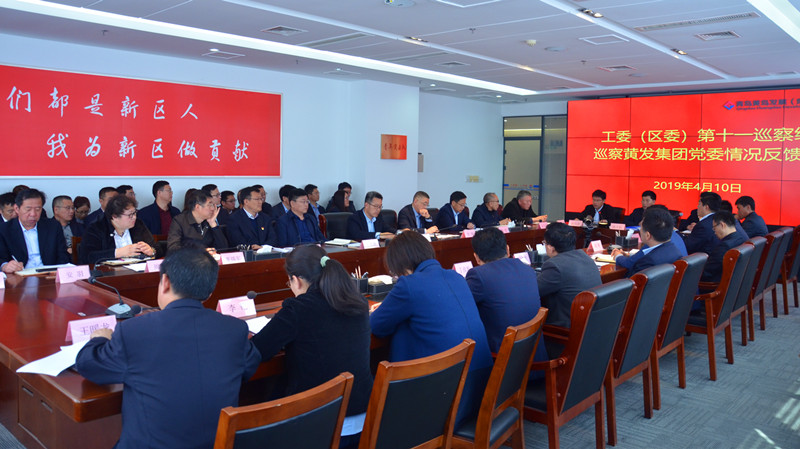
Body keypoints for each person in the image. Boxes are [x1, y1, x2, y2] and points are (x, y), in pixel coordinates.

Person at [75, 247, 261, 449]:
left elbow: (88, 365)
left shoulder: (134, 332)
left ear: (165, 281)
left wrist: (99, 339)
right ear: (210, 292)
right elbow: (249, 365)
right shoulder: (234, 329)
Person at [252, 246, 372, 446]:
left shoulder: (298, 308)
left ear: (296, 280)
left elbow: (259, 349)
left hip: (321, 420)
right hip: (363, 414)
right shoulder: (357, 301)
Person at [370, 231, 493, 427]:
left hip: (447, 399)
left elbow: (375, 326)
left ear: (402, 265)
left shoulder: (409, 285)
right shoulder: (456, 277)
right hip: (482, 391)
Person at [466, 228, 541, 353]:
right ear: (507, 249)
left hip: (503, 357)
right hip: (534, 353)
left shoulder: (479, 275)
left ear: (476, 257)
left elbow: (461, 306)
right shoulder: (527, 269)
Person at [536, 222, 601, 329]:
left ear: (551, 247)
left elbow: (534, 291)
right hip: (590, 323)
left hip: (566, 328)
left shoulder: (554, 265)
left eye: (545, 243)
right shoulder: (584, 256)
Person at [0, 189, 70, 273]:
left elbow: (62, 255)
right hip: (20, 275)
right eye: (28, 209)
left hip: (49, 274)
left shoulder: (53, 226)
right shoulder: (4, 230)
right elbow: (1, 258)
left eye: (37, 209)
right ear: (17, 209)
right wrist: (4, 266)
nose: (33, 214)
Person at [80, 195, 157, 265]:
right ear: (114, 216)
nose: (134, 217)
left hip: (138, 271)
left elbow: (157, 247)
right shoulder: (96, 227)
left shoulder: (138, 224)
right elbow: (88, 256)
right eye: (130, 215)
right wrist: (117, 253)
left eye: (134, 213)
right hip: (108, 273)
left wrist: (151, 251)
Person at [611, 207, 683, 276]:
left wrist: (618, 256)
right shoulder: (674, 250)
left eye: (641, 228)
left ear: (648, 235)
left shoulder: (647, 262)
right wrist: (629, 255)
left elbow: (631, 280)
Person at [701, 211, 747, 283]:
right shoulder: (741, 239)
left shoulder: (725, 246)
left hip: (715, 285)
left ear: (722, 225)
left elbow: (707, 272)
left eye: (714, 228)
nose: (714, 232)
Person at [685, 192, 721, 256]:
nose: (697, 207)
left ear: (706, 207)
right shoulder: (719, 218)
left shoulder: (703, 225)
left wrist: (676, 233)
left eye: (699, 204)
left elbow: (688, 245)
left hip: (704, 258)